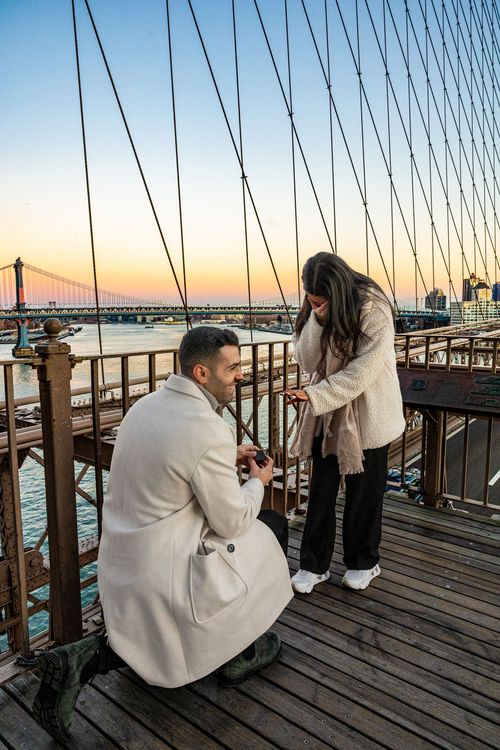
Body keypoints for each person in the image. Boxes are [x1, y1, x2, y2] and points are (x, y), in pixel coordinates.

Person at [33, 326, 293, 742]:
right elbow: (231, 522)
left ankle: (76, 660)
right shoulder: (209, 429)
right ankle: (238, 652)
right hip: (167, 577)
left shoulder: (145, 406)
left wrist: (227, 456)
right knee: (271, 528)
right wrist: (258, 480)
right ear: (202, 374)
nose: (242, 375)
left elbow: (172, 464)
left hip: (121, 565)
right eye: (234, 368)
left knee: (156, 614)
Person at [283, 252, 405, 594]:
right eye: (309, 297)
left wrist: (315, 396)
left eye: (320, 299)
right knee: (320, 491)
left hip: (369, 413)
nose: (313, 302)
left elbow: (362, 372)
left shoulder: (373, 307)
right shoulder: (315, 306)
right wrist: (318, 316)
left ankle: (364, 562)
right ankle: (313, 564)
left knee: (364, 495)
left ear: (338, 290)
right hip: (327, 416)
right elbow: (307, 359)